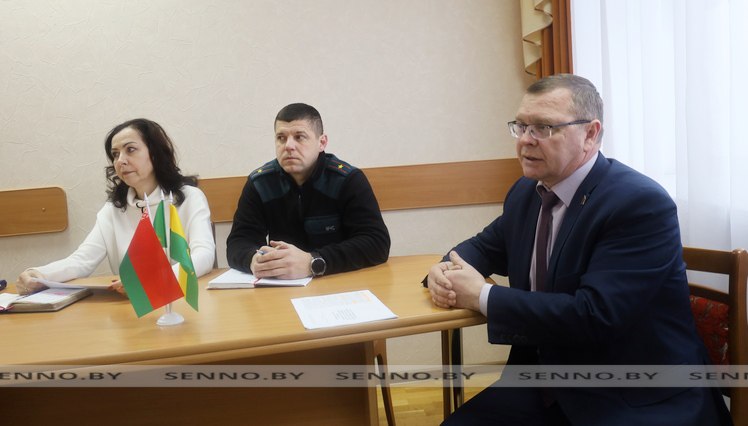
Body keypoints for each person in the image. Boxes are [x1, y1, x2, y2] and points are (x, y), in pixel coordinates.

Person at [427, 74, 732, 425]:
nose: (525, 140)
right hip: (547, 381)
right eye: (521, 126)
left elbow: (594, 316)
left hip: (632, 393)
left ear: (590, 133)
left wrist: (482, 296)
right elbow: (482, 247)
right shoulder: (526, 193)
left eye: (543, 128)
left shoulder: (638, 203)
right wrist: (444, 270)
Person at [17, 118, 215, 294]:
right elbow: (82, 260)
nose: (120, 161)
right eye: (115, 154)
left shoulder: (189, 197)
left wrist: (155, 280)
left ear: (154, 153)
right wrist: (40, 274)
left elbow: (204, 254)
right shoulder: (114, 209)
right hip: (131, 308)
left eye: (130, 150)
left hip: (182, 301)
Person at [226, 103, 390, 279]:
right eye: (281, 138)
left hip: (338, 281)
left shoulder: (347, 180)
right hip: (282, 285)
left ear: (322, 142)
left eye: (299, 137)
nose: (288, 146)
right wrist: (253, 260)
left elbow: (377, 243)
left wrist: (313, 262)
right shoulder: (260, 183)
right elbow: (239, 241)